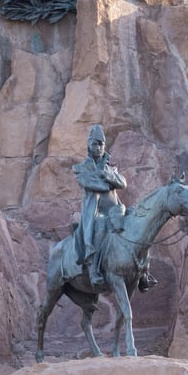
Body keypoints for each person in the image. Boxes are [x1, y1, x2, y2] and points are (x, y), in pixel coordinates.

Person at [72, 124, 128, 289]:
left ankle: (143, 270)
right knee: (100, 227)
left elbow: (123, 183)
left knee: (136, 221)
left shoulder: (110, 167)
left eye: (101, 144)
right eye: (94, 144)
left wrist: (107, 175)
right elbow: (91, 184)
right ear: (89, 146)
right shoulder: (81, 168)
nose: (98, 148)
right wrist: (108, 182)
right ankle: (94, 269)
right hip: (95, 211)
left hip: (115, 208)